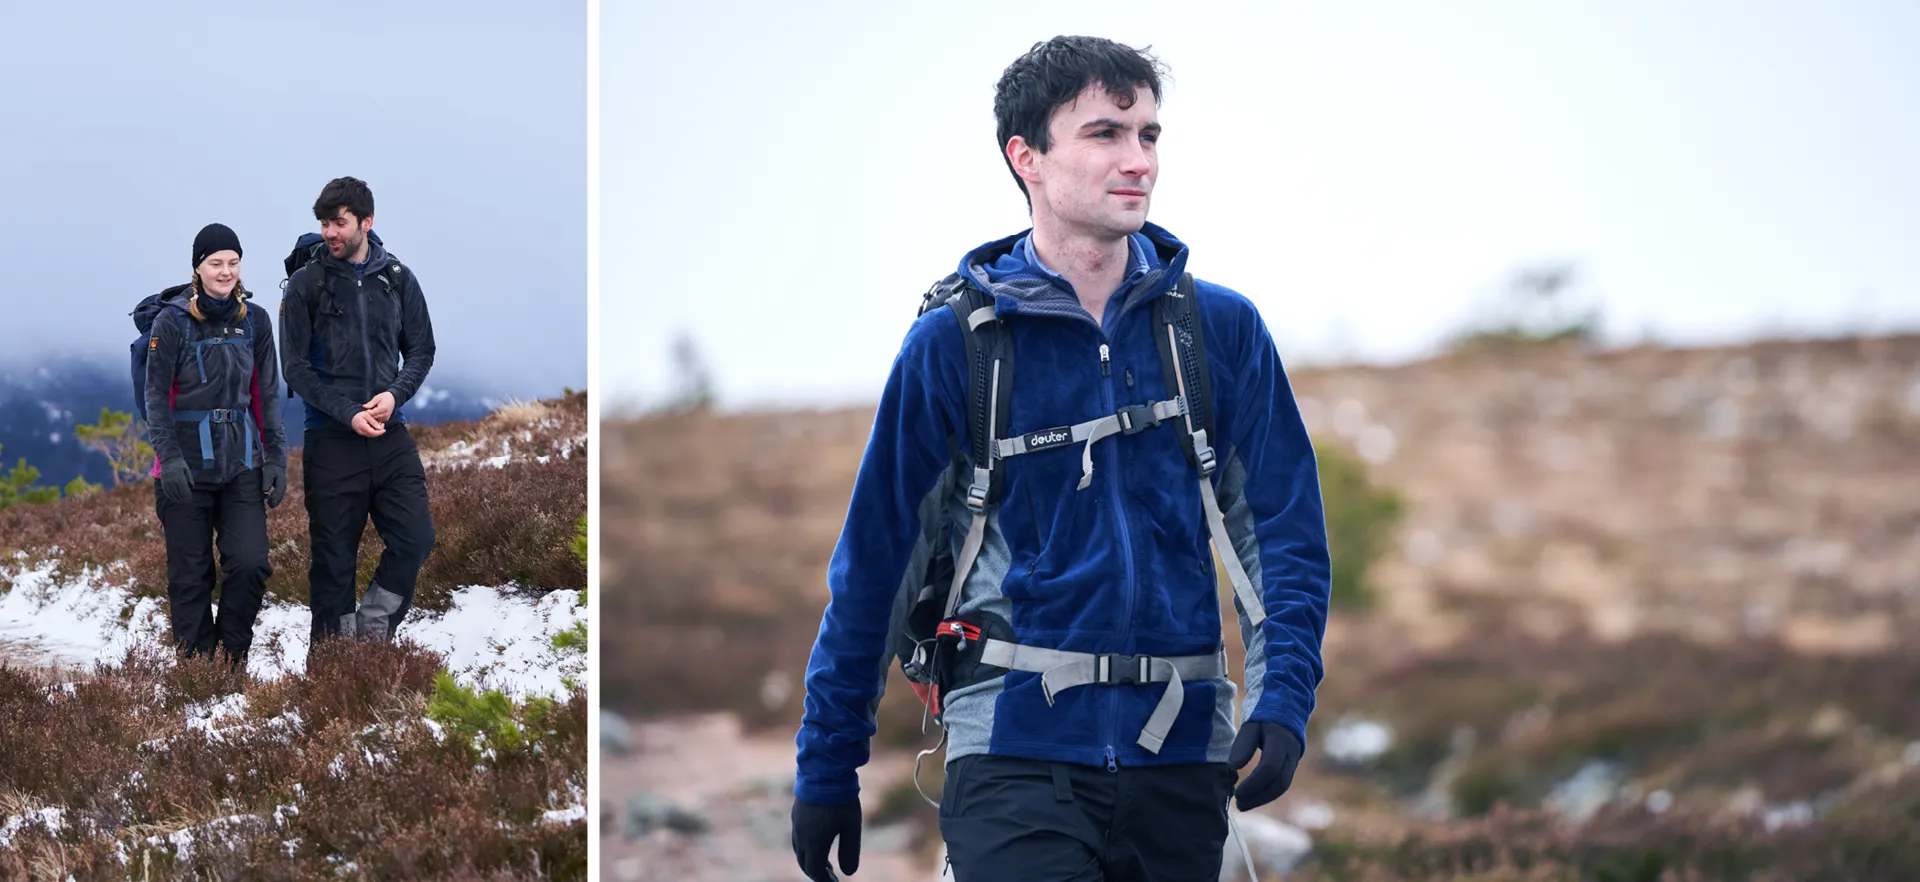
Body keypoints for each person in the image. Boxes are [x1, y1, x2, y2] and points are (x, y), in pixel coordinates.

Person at [790, 36, 1332, 881]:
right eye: (1105, 134)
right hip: (1011, 751)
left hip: (1184, 756)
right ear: (1026, 157)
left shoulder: (1219, 333)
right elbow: (875, 566)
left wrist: (1284, 698)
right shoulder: (955, 347)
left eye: (1149, 135)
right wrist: (828, 765)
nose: (1138, 160)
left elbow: (1285, 539)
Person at [278, 176, 437, 648]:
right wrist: (347, 413)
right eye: (324, 223)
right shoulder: (307, 284)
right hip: (331, 440)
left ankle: (372, 629)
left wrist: (394, 396)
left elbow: (423, 351)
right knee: (333, 566)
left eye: (339, 223)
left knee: (416, 539)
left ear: (366, 222)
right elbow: (295, 369)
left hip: (390, 435)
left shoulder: (399, 279)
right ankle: (330, 675)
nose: (330, 232)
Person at [142, 223, 288, 670]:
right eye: (215, 263)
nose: (225, 272)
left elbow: (266, 394)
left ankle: (230, 661)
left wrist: (277, 457)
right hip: (184, 469)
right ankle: (198, 674)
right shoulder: (171, 323)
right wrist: (169, 459)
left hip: (241, 464)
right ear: (197, 268)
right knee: (191, 578)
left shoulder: (256, 322)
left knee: (249, 563)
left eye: (232, 262)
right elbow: (155, 398)